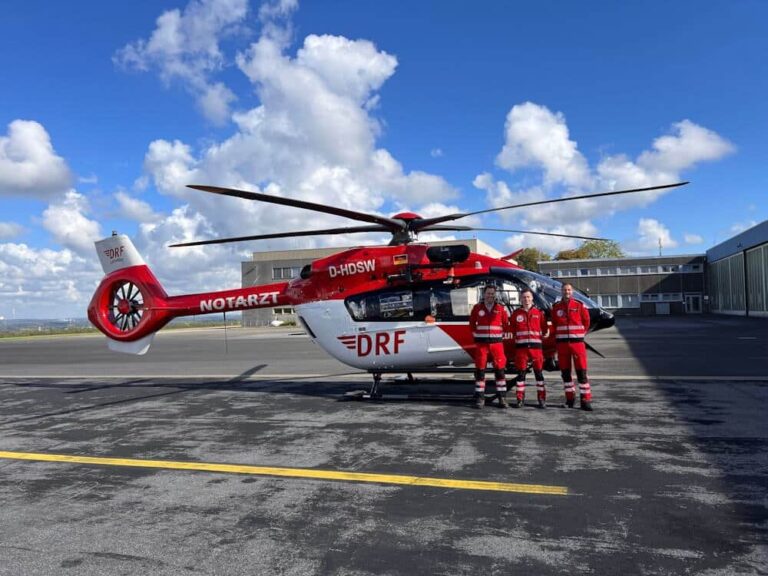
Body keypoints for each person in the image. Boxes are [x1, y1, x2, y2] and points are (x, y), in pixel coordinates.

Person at [551, 283, 593, 411]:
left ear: (572, 291)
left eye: (569, 290)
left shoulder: (579, 306)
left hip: (577, 344)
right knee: (565, 374)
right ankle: (570, 399)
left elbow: (586, 322)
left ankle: (585, 400)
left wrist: (579, 334)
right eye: (564, 290)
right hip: (562, 345)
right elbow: (554, 323)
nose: (567, 292)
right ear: (561, 291)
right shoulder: (556, 308)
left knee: (582, 373)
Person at [469, 285, 510, 409]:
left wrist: (500, 336)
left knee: (500, 371)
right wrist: (476, 336)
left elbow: (506, 324)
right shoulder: (477, 308)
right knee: (480, 371)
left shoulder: (501, 308)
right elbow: (471, 324)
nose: (490, 295)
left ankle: (502, 398)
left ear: (495, 295)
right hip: (482, 344)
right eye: (488, 293)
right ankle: (480, 398)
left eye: (492, 293)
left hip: (497, 344)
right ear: (484, 294)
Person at [510, 288, 549, 408]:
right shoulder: (516, 314)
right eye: (524, 297)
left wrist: (546, 333)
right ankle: (520, 399)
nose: (526, 299)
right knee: (521, 375)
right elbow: (512, 329)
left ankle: (542, 399)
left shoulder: (539, 313)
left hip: (536, 349)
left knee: (539, 375)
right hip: (521, 349)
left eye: (528, 297)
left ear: (532, 299)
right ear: (520, 299)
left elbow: (545, 330)